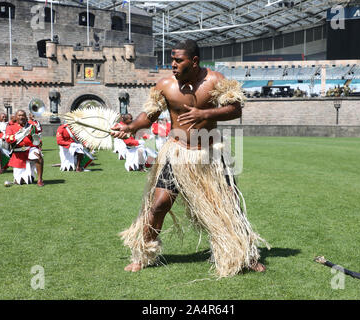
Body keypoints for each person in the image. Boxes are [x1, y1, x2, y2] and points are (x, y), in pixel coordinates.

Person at [111, 40, 269, 278]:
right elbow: (149, 115)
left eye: (178, 60)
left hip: (211, 154)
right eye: (172, 59)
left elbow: (236, 109)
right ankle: (143, 255)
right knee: (159, 203)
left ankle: (246, 256)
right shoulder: (165, 85)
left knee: (230, 204)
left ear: (194, 61)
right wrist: (131, 126)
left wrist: (204, 113)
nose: (173, 64)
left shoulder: (215, 81)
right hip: (177, 153)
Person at [5, 110, 44, 186]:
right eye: (19, 115)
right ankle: (18, 179)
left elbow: (36, 138)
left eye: (23, 115)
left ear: (26, 117)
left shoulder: (31, 127)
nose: (21, 117)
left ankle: (40, 180)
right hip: (18, 154)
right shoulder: (10, 127)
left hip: (30, 149)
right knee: (22, 181)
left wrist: (38, 142)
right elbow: (8, 139)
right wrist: (19, 135)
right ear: (16, 117)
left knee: (38, 155)